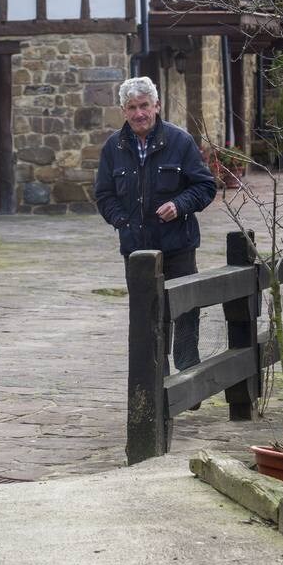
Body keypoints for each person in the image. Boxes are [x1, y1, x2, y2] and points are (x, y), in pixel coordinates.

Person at [95, 76, 216, 377]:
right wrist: (121, 221)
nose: (139, 113)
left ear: (157, 106)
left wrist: (180, 205)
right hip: (137, 250)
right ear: (123, 111)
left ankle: (188, 375)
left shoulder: (180, 141)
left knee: (185, 310)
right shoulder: (113, 147)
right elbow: (104, 194)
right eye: (132, 107)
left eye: (145, 106)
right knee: (147, 316)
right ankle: (154, 380)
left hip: (177, 245)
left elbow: (205, 187)